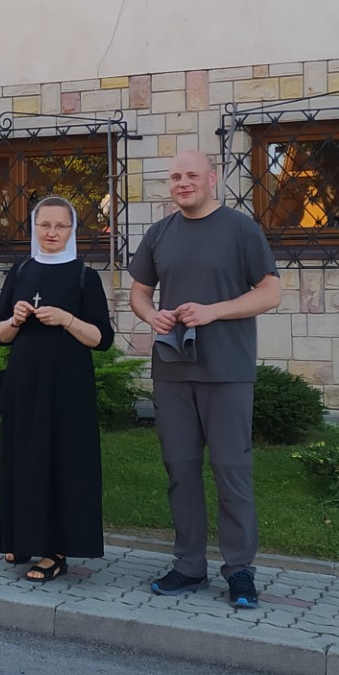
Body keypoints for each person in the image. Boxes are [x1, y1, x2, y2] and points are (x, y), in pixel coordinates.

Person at [129, 150, 282, 609]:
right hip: (173, 370)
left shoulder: (240, 230)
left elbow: (270, 292)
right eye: (175, 176)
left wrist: (213, 311)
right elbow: (139, 292)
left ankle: (239, 570)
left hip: (227, 371)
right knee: (180, 471)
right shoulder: (159, 233)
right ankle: (189, 565)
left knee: (232, 472)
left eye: (192, 175)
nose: (183, 183)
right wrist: (151, 315)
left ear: (212, 178)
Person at [0, 197, 115, 582]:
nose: (51, 232)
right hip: (25, 382)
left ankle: (56, 551)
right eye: (44, 225)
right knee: (24, 460)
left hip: (68, 387)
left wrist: (66, 319)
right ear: (34, 228)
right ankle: (23, 538)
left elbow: (102, 339)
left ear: (72, 230)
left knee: (62, 462)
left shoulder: (84, 277)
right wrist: (14, 320)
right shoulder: (20, 272)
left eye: (60, 226)